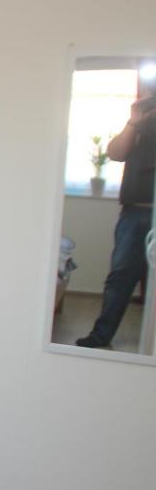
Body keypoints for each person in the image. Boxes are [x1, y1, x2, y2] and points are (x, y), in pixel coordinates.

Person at [77, 85, 156, 348]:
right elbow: (115, 153)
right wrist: (134, 121)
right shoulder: (140, 124)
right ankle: (101, 336)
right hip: (135, 212)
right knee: (120, 278)